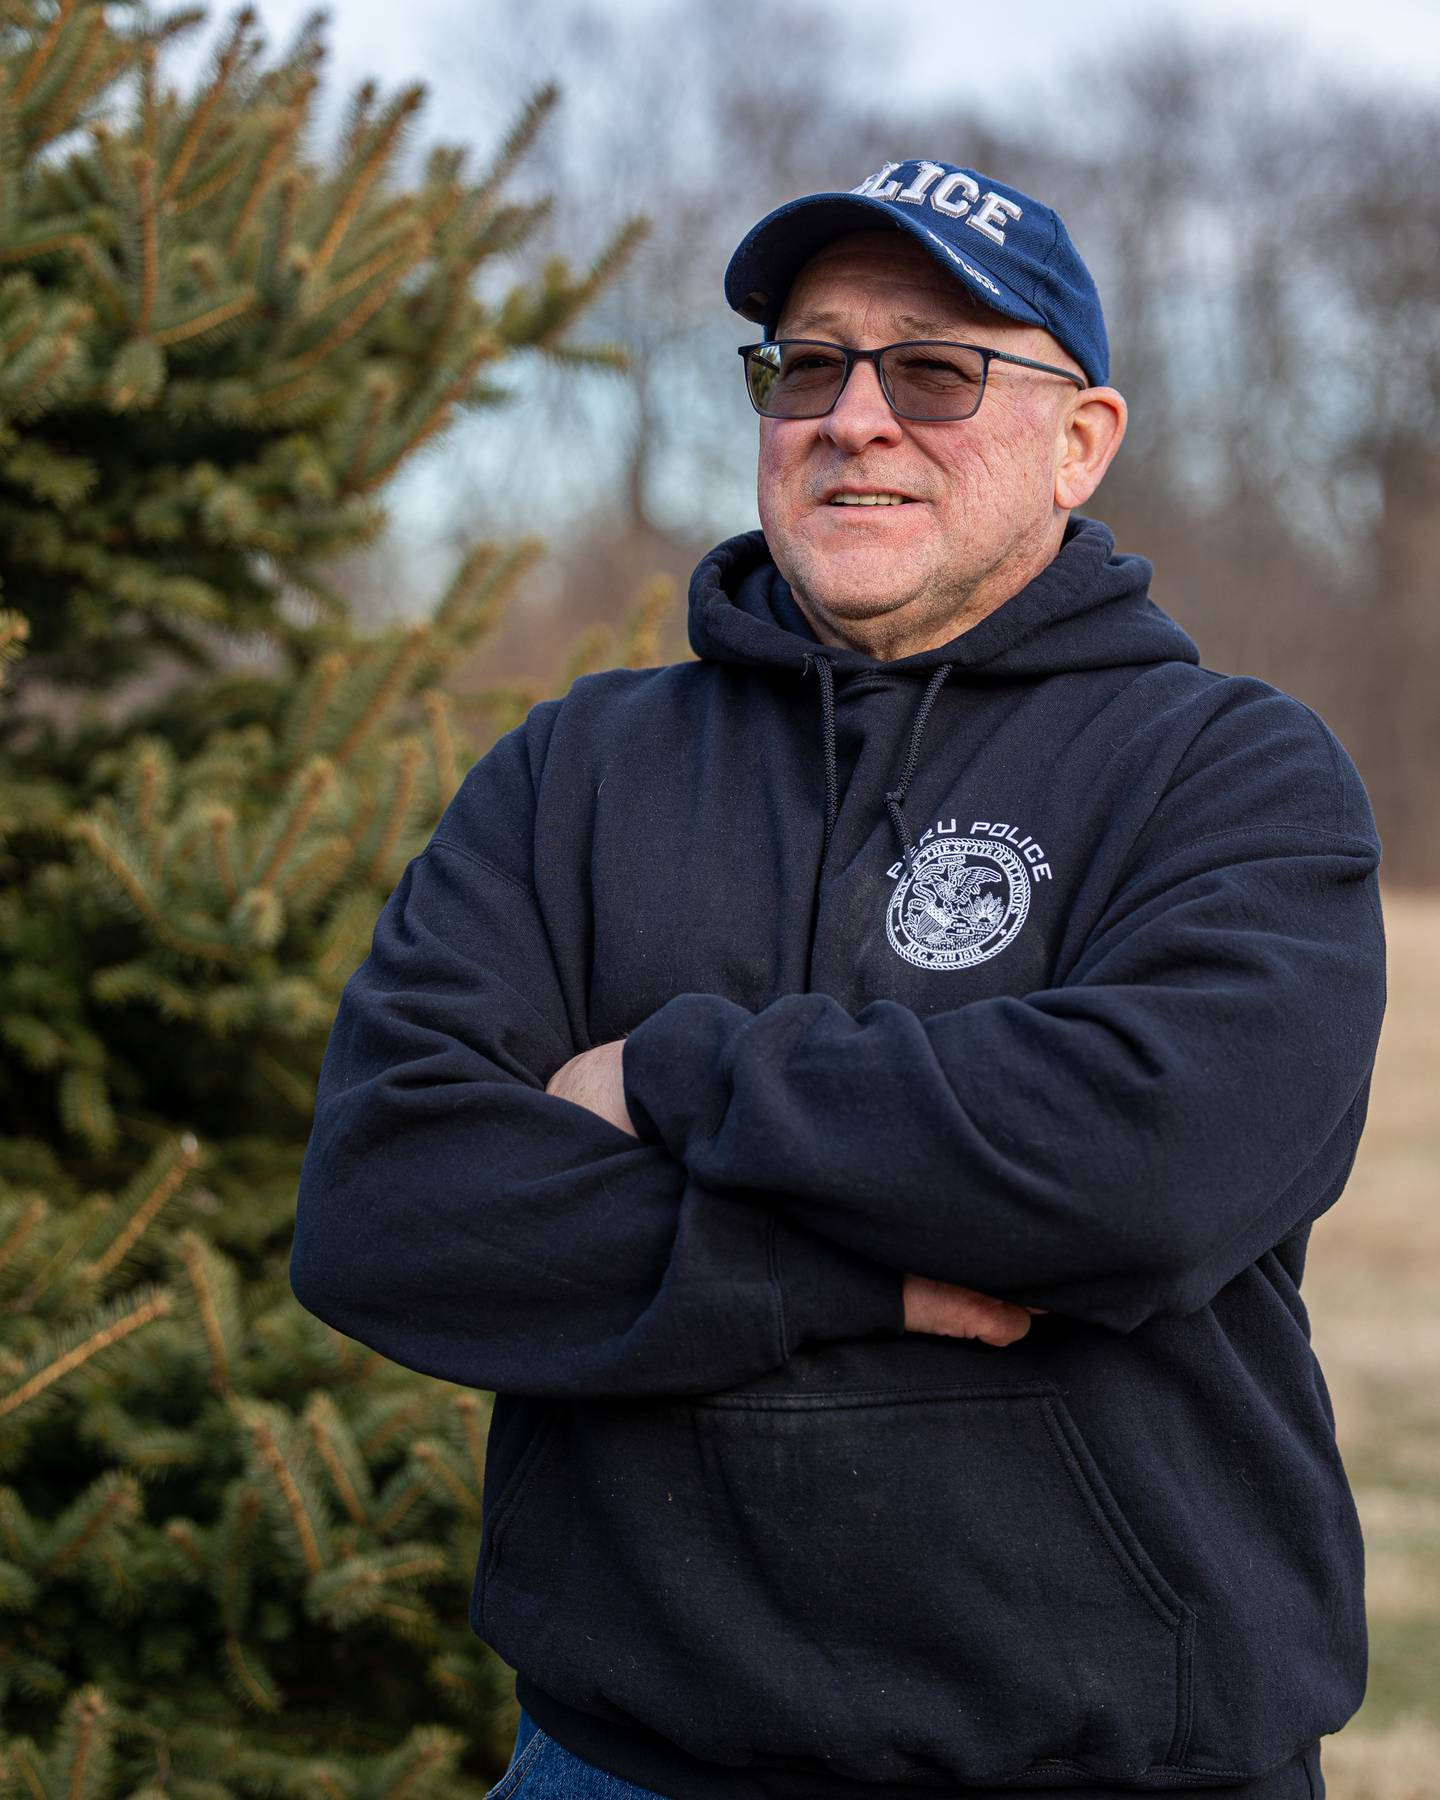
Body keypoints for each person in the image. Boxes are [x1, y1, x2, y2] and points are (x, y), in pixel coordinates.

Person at [290, 159, 1387, 1800]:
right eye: (810, 364)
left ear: (1081, 441)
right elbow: (394, 1208)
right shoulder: (576, 773)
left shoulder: (1229, 773)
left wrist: (669, 1078)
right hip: (625, 1763)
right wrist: (843, 1279)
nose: (855, 416)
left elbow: (1141, 1168)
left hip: (1117, 1766)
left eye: (936, 369)